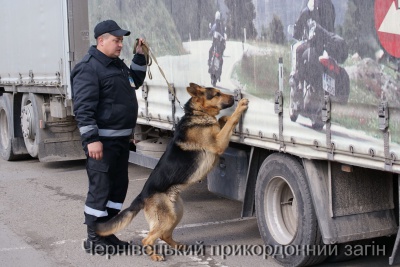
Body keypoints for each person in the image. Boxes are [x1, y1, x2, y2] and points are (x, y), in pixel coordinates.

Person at [71, 19, 147, 254]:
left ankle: (106, 232)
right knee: (101, 190)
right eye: (116, 40)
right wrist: (91, 139)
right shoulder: (89, 67)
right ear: (100, 40)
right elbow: (83, 108)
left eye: (122, 40)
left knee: (117, 189)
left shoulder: (116, 65)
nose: (120, 44)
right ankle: (94, 238)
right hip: (101, 143)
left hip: (120, 141)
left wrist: (140, 57)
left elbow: (134, 82)